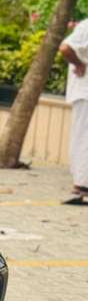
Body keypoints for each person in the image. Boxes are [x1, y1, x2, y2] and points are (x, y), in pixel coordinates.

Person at [59, 17, 88, 204]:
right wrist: (79, 63)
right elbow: (65, 47)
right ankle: (81, 184)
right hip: (85, 93)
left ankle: (82, 183)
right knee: (83, 137)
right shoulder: (86, 26)